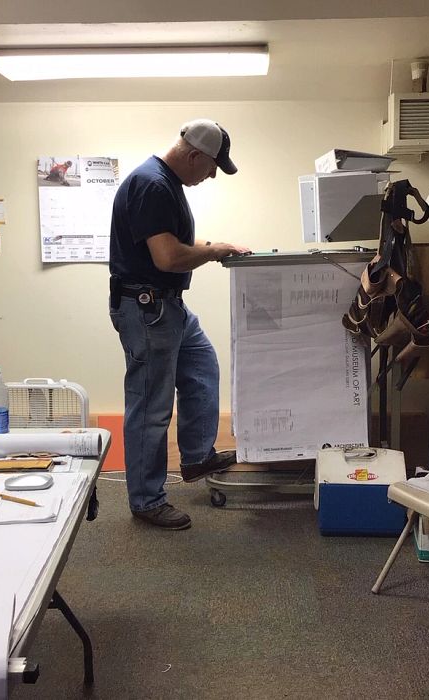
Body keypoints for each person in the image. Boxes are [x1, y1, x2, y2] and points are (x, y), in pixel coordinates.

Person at [109, 119, 251, 530]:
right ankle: (146, 500)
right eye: (211, 167)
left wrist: (209, 248)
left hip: (168, 307)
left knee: (203, 369)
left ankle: (196, 456)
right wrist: (214, 250)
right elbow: (168, 259)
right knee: (151, 408)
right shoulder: (153, 185)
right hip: (147, 308)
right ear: (193, 156)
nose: (211, 176)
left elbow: (168, 250)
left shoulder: (163, 183)